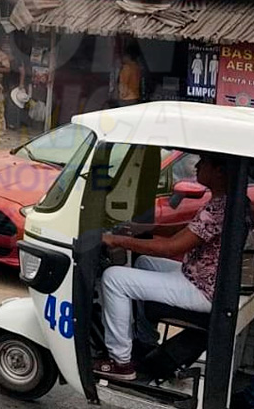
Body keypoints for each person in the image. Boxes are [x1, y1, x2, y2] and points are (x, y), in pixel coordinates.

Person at [97, 155, 245, 381]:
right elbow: (189, 229)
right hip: (204, 278)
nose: (196, 166)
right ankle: (145, 341)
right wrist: (143, 228)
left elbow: (170, 248)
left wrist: (115, 240)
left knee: (113, 278)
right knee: (143, 263)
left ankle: (120, 363)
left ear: (219, 171)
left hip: (203, 290)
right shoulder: (227, 201)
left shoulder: (219, 210)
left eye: (203, 162)